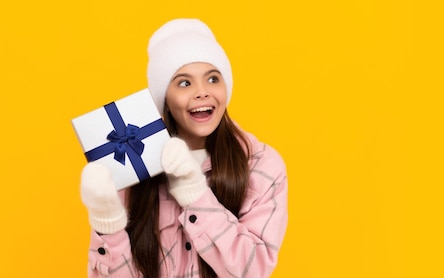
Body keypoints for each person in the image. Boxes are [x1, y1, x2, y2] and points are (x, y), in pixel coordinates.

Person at [79, 18, 288, 277]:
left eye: (213, 79)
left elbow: (253, 269)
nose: (202, 92)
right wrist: (107, 223)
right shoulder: (132, 164)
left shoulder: (261, 164)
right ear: (164, 96)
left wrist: (195, 194)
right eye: (184, 83)